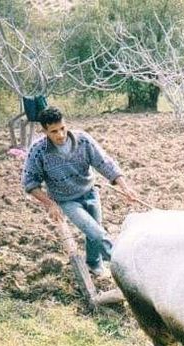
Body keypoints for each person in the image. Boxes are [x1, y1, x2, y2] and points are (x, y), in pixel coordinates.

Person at [21, 106, 140, 278]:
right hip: (66, 201)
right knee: (98, 233)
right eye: (54, 131)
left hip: (90, 191)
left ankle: (94, 264)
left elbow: (104, 162)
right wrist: (50, 204)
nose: (60, 135)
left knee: (94, 233)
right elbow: (30, 183)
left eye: (62, 128)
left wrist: (124, 187)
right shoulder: (38, 151)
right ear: (44, 131)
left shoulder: (83, 140)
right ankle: (127, 269)